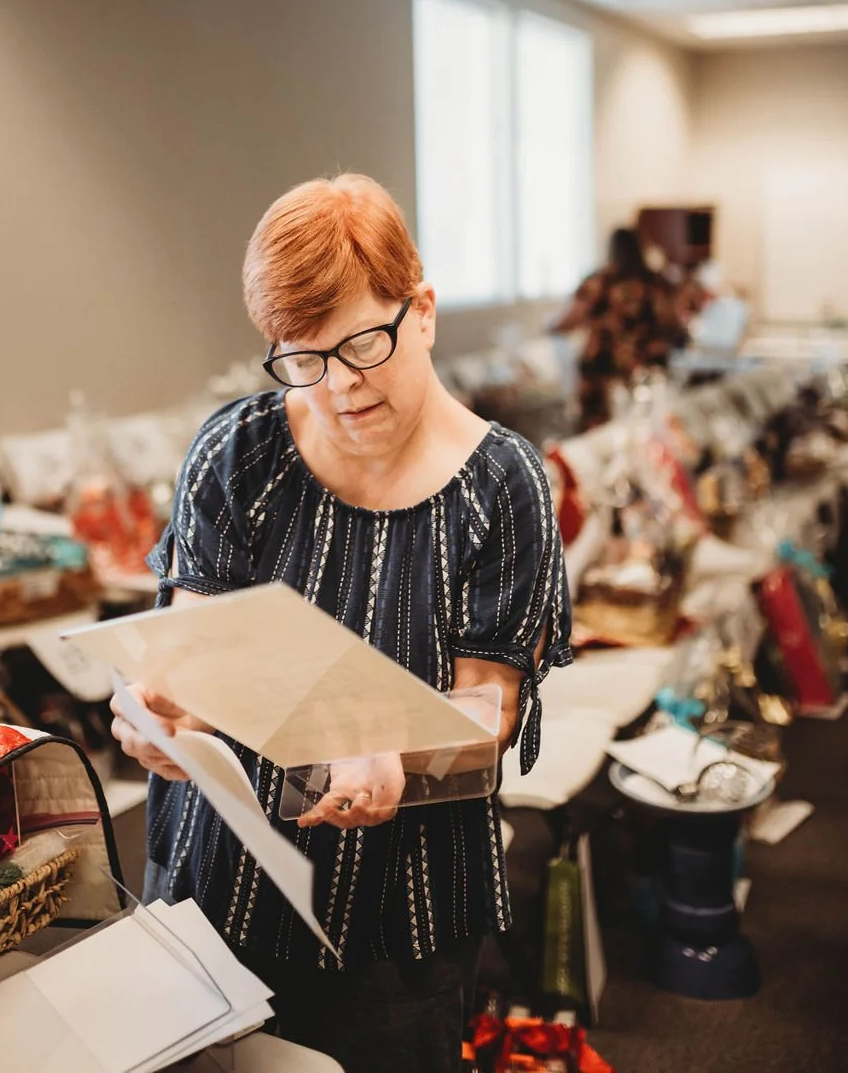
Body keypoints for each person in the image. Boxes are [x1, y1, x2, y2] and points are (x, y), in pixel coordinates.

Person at [110, 174, 571, 1073]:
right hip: (221, 885)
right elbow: (191, 658)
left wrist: (401, 754)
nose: (341, 389)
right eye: (304, 359)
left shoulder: (501, 487)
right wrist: (157, 714)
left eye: (364, 344)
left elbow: (490, 710)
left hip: (402, 916)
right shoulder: (239, 453)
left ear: (423, 312)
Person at [551, 226, 685, 429]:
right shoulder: (658, 283)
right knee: (646, 436)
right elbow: (676, 326)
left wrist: (550, 327)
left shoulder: (600, 281)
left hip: (602, 373)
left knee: (599, 440)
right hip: (647, 376)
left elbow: (568, 321)